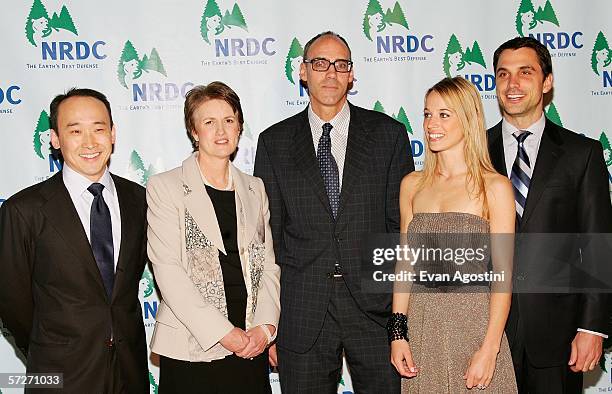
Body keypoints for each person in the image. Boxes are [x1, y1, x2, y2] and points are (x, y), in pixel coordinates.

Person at [254, 31, 414, 392]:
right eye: (320, 63)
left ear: (352, 75)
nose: (331, 73)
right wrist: (269, 321)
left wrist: (400, 319)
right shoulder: (274, 142)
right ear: (302, 72)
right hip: (301, 310)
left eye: (341, 65)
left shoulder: (388, 135)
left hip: (375, 309)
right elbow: (269, 238)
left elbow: (401, 228)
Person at [0, 88, 149, 393]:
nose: (90, 142)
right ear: (55, 139)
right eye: (75, 131)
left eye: (99, 128)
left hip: (129, 373)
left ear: (113, 134)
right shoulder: (23, 209)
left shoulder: (139, 199)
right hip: (59, 376)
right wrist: (55, 346)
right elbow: (12, 301)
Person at [487, 36, 612, 393]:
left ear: (547, 81)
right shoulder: (474, 152)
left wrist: (592, 327)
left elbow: (598, 245)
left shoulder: (581, 153)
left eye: (525, 72)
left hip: (558, 334)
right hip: (486, 332)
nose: (512, 84)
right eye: (503, 74)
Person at [146, 82, 280, 394]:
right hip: (193, 343)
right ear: (193, 130)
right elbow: (168, 272)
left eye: (229, 120)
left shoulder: (254, 188)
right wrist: (223, 333)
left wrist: (265, 328)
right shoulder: (165, 187)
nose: (221, 131)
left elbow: (270, 267)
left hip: (250, 340)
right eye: (209, 122)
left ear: (239, 127)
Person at [390, 77, 517, 392]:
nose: (432, 123)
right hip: (421, 329)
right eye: (427, 114)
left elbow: (503, 275)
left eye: (444, 114)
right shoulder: (412, 185)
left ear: (468, 119)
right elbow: (405, 266)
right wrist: (397, 334)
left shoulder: (495, 187)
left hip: (474, 328)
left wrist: (490, 348)